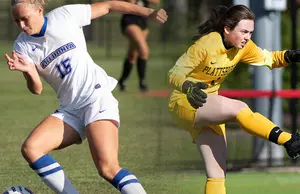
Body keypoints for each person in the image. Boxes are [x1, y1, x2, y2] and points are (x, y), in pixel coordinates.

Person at [5, 0, 167, 193]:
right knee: (31, 148)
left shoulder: (64, 15)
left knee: (108, 169)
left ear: (40, 10)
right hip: (70, 110)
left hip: (96, 98)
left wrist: (147, 12)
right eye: (17, 21)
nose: (22, 25)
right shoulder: (22, 45)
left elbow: (108, 6)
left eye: (25, 19)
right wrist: (30, 72)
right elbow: (37, 89)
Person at [168, 4, 300, 194]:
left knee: (217, 175)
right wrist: (188, 87)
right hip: (183, 100)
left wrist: (292, 56)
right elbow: (174, 74)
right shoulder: (206, 44)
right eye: (244, 31)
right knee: (239, 108)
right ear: (227, 29)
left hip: (208, 106)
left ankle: (290, 141)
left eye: (251, 32)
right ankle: (289, 140)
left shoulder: (243, 47)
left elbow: (269, 59)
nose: (248, 37)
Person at [118, 0, 160, 92]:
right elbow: (130, 2)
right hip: (130, 21)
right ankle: (142, 83)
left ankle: (122, 81)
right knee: (144, 50)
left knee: (133, 54)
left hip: (143, 21)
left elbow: (157, 1)